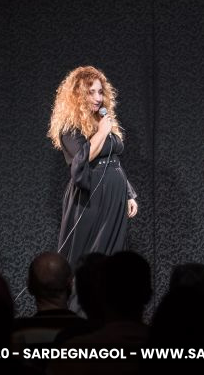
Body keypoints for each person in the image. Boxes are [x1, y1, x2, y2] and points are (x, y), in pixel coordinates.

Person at [48, 66, 138, 270]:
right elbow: (81, 160)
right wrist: (102, 132)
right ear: (78, 95)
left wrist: (129, 193)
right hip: (91, 197)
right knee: (89, 256)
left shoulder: (102, 121)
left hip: (114, 195)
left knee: (112, 257)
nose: (98, 97)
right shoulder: (70, 127)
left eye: (100, 91)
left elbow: (113, 160)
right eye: (91, 92)